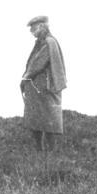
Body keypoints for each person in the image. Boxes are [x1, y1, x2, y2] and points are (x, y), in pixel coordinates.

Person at [20, 16, 66, 151]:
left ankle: (46, 151)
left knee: (47, 119)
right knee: (41, 119)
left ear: (41, 27)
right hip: (41, 87)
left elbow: (37, 64)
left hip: (43, 87)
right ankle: (42, 150)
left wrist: (25, 78)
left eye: (34, 29)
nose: (32, 32)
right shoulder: (45, 41)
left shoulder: (47, 42)